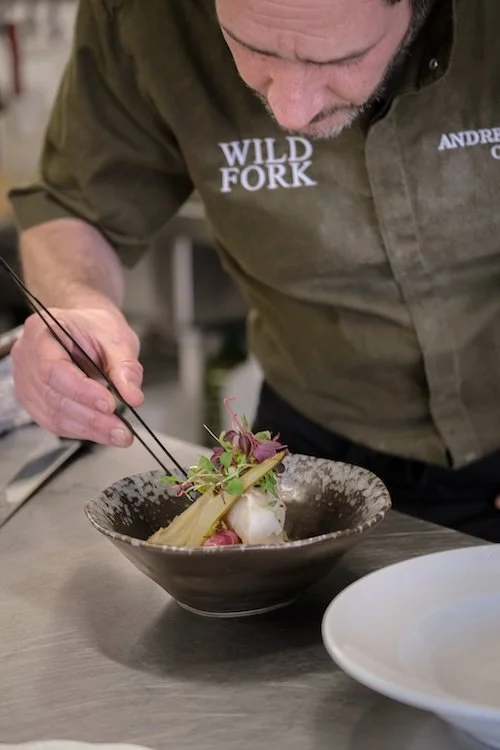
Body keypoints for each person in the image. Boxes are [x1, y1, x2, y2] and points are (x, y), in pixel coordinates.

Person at [8, 0, 500, 541]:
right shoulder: (143, 15)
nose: (291, 111)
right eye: (252, 50)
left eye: (340, 59)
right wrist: (80, 303)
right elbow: (76, 207)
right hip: (313, 457)